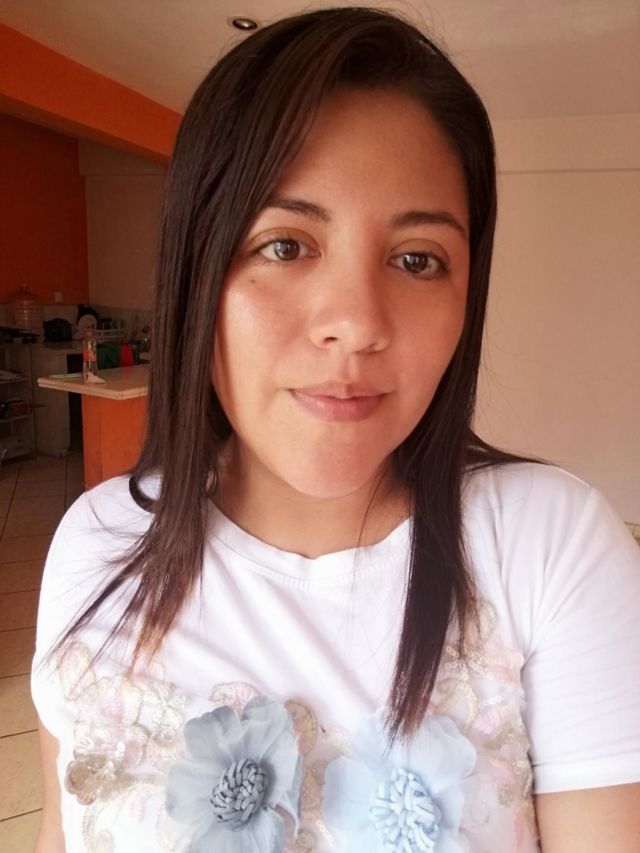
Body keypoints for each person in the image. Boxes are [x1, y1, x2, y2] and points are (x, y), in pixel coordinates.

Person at [32, 7, 640, 852]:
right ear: (198, 268)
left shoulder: (548, 546)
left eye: (417, 259)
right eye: (285, 246)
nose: (355, 322)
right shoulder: (98, 546)